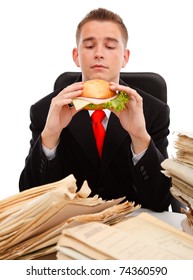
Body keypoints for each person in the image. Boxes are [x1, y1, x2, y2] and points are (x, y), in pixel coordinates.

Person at [19, 7, 172, 212]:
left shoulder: (154, 111)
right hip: (70, 227)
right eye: (90, 46)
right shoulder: (45, 110)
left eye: (109, 46)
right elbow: (30, 200)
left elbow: (161, 201)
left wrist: (139, 137)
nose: (99, 54)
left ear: (125, 57)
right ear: (76, 56)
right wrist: (50, 135)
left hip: (133, 226)